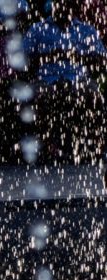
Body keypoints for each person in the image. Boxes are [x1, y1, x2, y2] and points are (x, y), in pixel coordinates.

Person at [23, 0, 107, 163]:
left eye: (67, 4)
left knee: (95, 98)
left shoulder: (86, 30)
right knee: (40, 97)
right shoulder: (38, 29)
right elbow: (23, 58)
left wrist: (78, 56)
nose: (63, 7)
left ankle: (94, 146)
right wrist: (50, 56)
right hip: (46, 79)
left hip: (78, 79)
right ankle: (46, 147)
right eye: (60, 3)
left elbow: (102, 59)